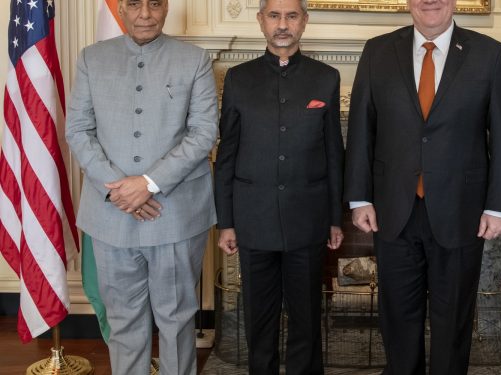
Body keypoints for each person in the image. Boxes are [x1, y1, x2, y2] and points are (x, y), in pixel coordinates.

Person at [343, 0, 501, 371]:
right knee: (398, 320)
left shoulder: (489, 54)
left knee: (453, 320)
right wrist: (359, 198)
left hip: (462, 212)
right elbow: (362, 128)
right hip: (393, 212)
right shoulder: (377, 51)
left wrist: (498, 205)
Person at [65, 0, 218, 373]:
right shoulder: (91, 58)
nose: (145, 14)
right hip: (110, 213)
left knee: (177, 319)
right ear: (120, 10)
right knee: (123, 321)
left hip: (175, 213)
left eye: (155, 4)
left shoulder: (195, 59)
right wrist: (120, 189)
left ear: (166, 8)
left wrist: (148, 184)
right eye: (134, 4)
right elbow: (78, 131)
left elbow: (203, 134)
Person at [213, 0, 344, 372]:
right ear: (261, 21)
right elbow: (228, 154)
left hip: (309, 218)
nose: (282, 25)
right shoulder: (238, 78)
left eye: (291, 16)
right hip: (252, 219)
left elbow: (335, 153)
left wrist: (335, 218)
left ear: (304, 21)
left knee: (306, 318)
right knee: (259, 319)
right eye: (274, 16)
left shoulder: (326, 78)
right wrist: (226, 221)